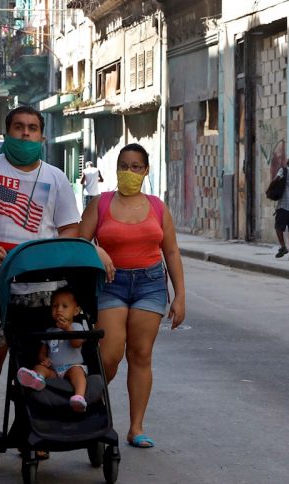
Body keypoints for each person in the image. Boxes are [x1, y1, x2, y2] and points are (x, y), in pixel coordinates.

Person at [0, 106, 81, 449]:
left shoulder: (56, 177)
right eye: (19, 127)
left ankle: (34, 425)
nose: (26, 133)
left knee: (36, 356)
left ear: (42, 135)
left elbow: (70, 226)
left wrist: (65, 251)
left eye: (33, 128)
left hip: (43, 285)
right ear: (8, 133)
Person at [79, 143, 185, 449]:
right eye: (124, 166)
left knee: (140, 355)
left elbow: (172, 251)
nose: (129, 172)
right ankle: (91, 406)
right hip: (111, 284)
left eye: (136, 166)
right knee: (109, 355)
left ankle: (136, 427)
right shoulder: (100, 204)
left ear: (146, 170)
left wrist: (180, 296)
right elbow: (78, 241)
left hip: (150, 284)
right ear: (116, 170)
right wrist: (96, 249)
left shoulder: (157, 207)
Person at [17, 287, 88, 413]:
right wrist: (44, 360)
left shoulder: (77, 327)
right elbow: (43, 352)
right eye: (55, 306)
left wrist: (68, 329)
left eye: (64, 306)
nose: (59, 310)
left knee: (78, 372)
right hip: (54, 371)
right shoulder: (49, 331)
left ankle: (79, 397)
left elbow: (76, 343)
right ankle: (37, 379)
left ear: (76, 311)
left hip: (71, 367)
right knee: (39, 367)